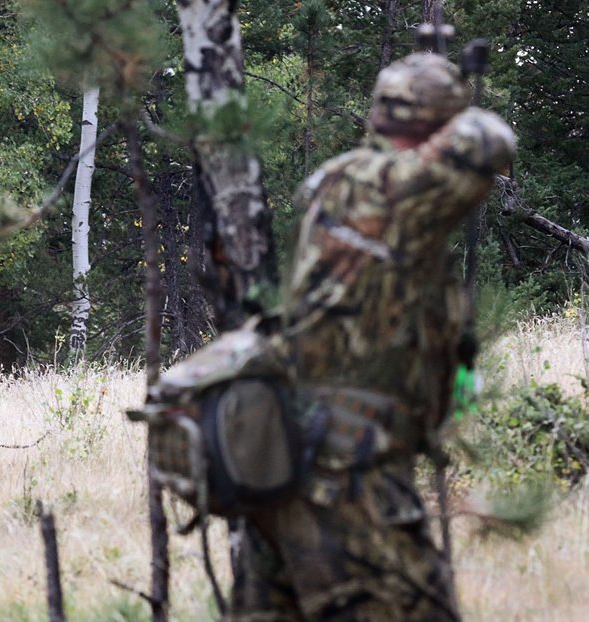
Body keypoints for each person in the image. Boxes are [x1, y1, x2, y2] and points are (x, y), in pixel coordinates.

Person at [151, 51, 516, 620]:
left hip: (293, 464)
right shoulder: (392, 187)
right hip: (349, 477)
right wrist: (458, 102)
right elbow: (489, 142)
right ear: (434, 131)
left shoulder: (342, 180)